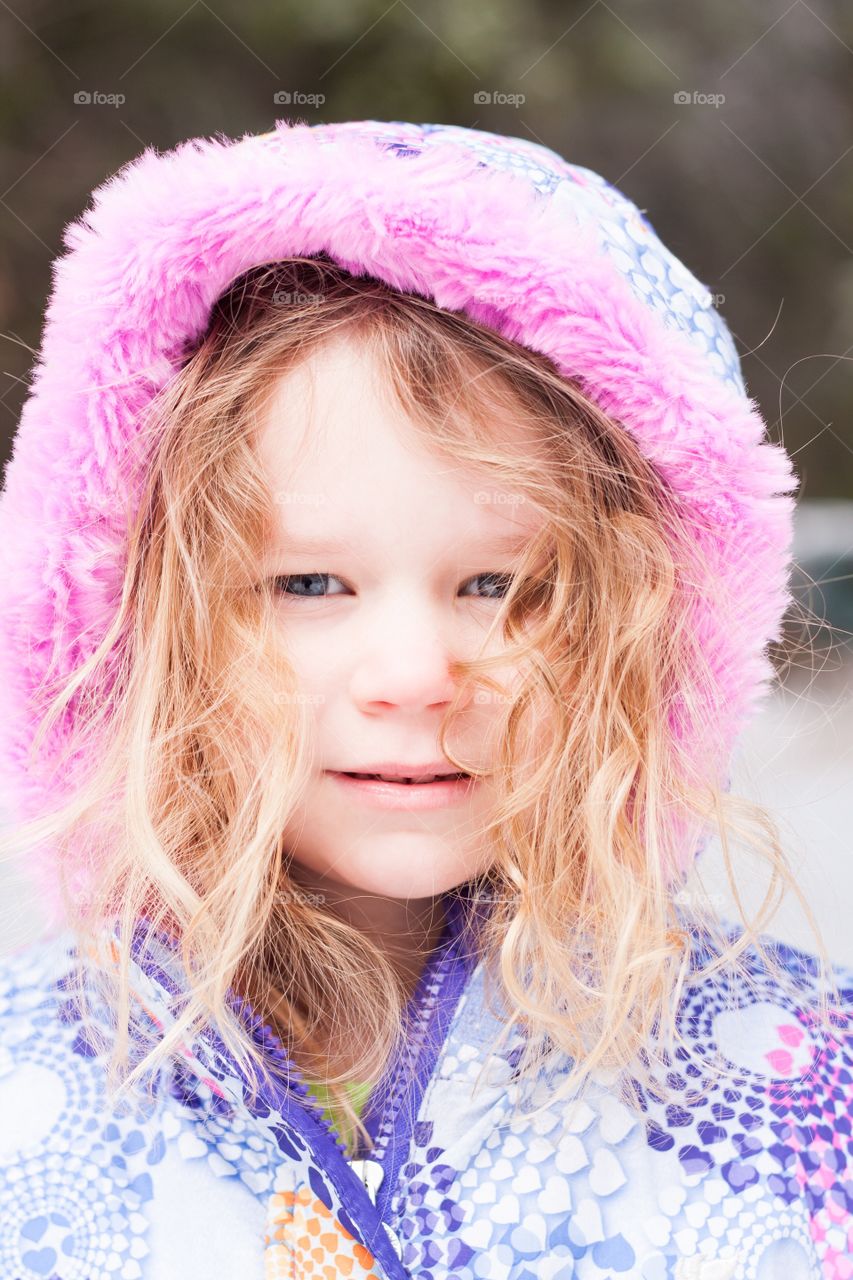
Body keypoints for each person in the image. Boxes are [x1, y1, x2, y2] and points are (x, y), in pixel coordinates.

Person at [0, 119, 849, 1280]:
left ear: (644, 617)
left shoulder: (797, 1087)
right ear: (140, 615)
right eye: (306, 582)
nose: (411, 676)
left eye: (501, 586)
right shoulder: (27, 1093)